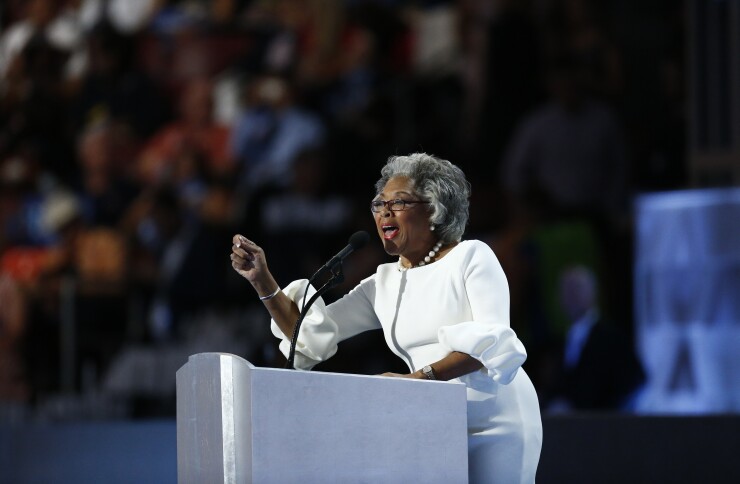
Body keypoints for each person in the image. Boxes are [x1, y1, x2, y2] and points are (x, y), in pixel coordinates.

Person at [230, 153, 542, 482]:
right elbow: (305, 333)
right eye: (379, 204)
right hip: (433, 421)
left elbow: (490, 344)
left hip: (496, 419)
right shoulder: (382, 284)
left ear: (435, 209)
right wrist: (262, 280)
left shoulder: (472, 256)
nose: (384, 212)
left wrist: (417, 381)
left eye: (399, 202)